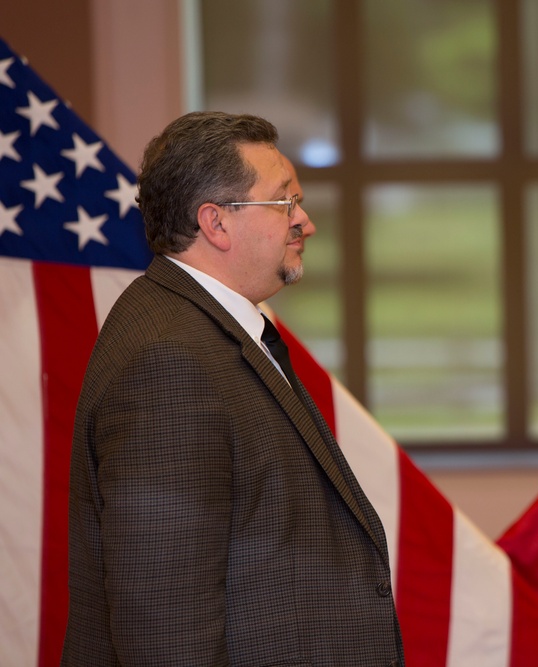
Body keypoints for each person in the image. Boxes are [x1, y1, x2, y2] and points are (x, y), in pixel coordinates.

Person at [62, 111, 405, 666]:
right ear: (216, 223)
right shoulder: (168, 362)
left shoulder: (198, 327)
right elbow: (165, 628)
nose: (306, 222)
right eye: (285, 202)